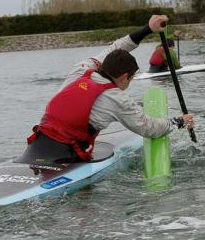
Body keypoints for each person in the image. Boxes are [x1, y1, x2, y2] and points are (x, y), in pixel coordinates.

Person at [25, 15, 194, 164]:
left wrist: (148, 29)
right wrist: (179, 121)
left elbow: (116, 46)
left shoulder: (82, 68)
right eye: (131, 78)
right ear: (123, 77)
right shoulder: (117, 99)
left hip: (36, 145)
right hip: (66, 155)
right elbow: (149, 128)